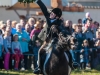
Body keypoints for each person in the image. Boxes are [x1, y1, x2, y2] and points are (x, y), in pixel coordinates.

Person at [34, 0, 63, 74]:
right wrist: (38, 1)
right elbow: (43, 8)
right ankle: (39, 68)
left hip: (56, 41)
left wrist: (56, 30)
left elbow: (61, 32)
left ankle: (72, 63)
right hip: (47, 40)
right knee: (40, 51)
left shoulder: (59, 23)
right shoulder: (48, 16)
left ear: (56, 17)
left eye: (52, 14)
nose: (51, 14)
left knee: (67, 51)